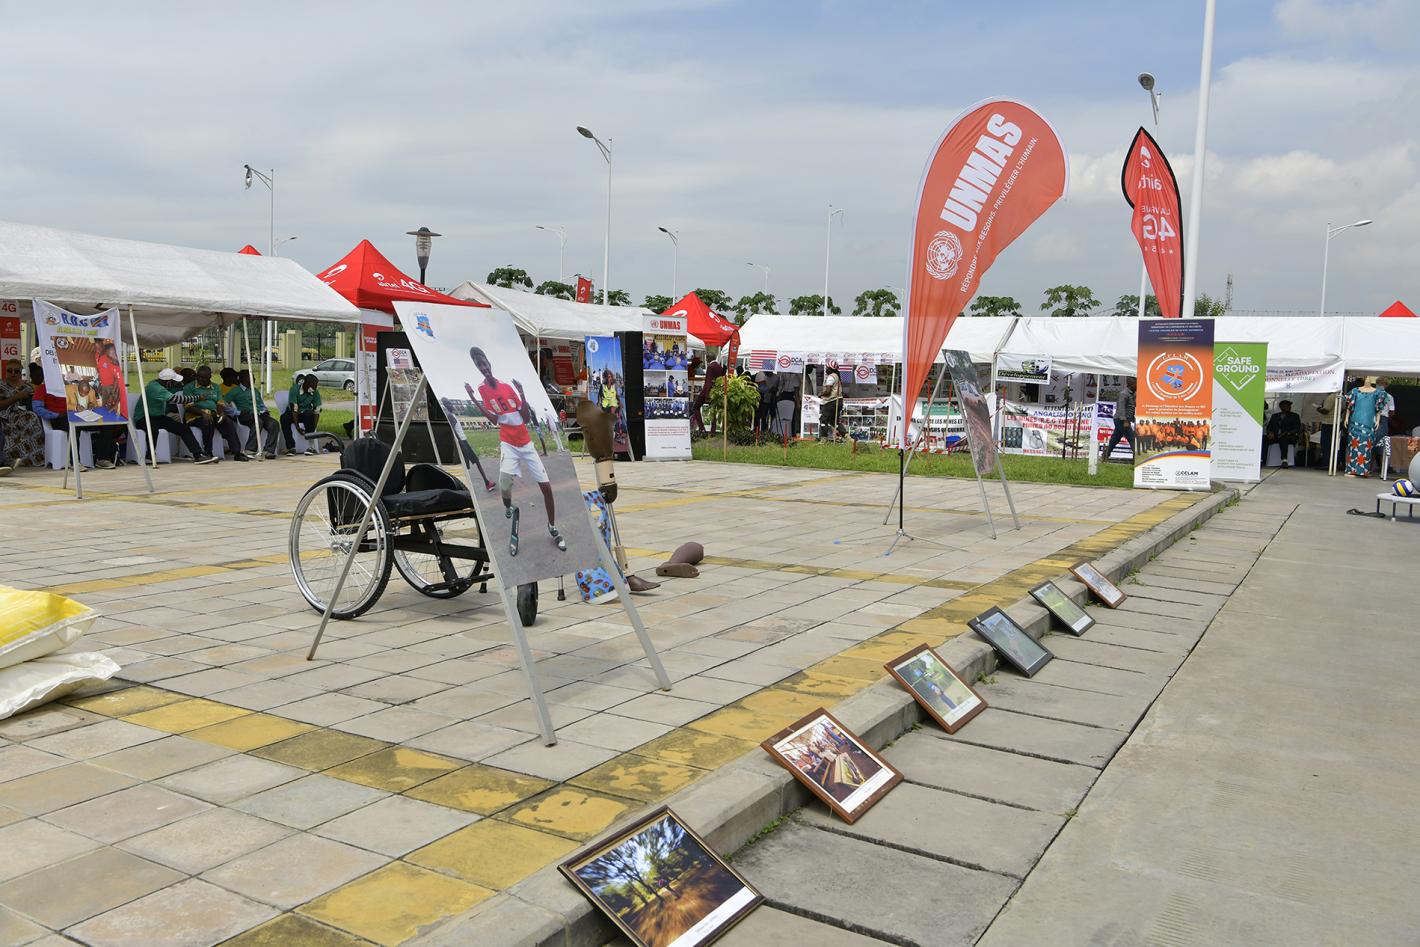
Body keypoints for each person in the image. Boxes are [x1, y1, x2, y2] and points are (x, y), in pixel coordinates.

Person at [463, 345, 566, 557]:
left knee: (546, 488)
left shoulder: (507, 387)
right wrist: (473, 398)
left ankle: (552, 527)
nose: (483, 368)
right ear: (477, 367)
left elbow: (526, 418)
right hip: (508, 444)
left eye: (484, 363)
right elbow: (494, 420)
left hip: (526, 444)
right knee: (504, 486)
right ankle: (510, 508)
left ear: (489, 363)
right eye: (479, 365)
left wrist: (522, 393)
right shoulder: (482, 390)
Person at [29, 364, 120, 468]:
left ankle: (102, 459)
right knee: (74, 426)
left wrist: (89, 405)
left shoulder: (68, 388)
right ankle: (75, 462)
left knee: (107, 424)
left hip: (79, 415)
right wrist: (56, 415)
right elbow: (37, 408)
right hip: (60, 418)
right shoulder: (42, 389)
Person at [132, 368, 215, 463]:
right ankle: (149, 455)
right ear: (168, 382)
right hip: (143, 418)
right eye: (174, 382)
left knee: (183, 429)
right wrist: (197, 397)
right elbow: (176, 399)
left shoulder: (158, 384)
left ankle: (198, 455)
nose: (176, 384)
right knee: (153, 430)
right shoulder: (156, 388)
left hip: (157, 417)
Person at [183, 365, 246, 460]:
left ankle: (237, 452)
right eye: (199, 376)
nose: (200, 379)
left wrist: (221, 413)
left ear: (210, 377)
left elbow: (220, 403)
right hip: (195, 416)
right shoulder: (189, 387)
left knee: (228, 422)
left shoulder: (215, 387)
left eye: (204, 377)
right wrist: (203, 414)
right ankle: (208, 452)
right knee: (208, 422)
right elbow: (189, 407)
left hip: (213, 414)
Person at [0, 359, 44, 468]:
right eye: (10, 371)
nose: (13, 373)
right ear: (6, 372)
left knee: (33, 418)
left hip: (22, 414)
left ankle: (34, 459)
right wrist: (17, 396)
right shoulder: (1, 385)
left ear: (20, 372)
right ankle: (8, 458)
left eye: (16, 371)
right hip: (4, 417)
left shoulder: (28, 386)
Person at [230, 369, 279, 459]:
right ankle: (250, 449)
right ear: (243, 379)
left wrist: (264, 410)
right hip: (245, 415)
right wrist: (236, 412)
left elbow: (261, 403)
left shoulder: (255, 390)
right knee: (258, 422)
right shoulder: (235, 390)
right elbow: (224, 403)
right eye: (251, 377)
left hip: (259, 414)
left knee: (274, 423)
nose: (254, 379)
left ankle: (268, 450)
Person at [1342, 376, 1385, 477]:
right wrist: (1346, 418)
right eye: (1366, 379)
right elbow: (1349, 406)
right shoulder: (1355, 391)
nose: (1367, 380)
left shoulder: (1377, 393)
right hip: (1355, 422)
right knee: (1353, 446)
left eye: (1369, 379)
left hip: (1369, 423)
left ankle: (1363, 470)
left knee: (1366, 447)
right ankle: (1351, 470)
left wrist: (1377, 421)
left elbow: (1378, 409)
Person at [281, 372, 322, 455]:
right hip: (293, 413)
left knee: (309, 414)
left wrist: (313, 427)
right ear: (305, 384)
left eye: (315, 386)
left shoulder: (315, 392)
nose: (314, 388)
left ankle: (311, 447)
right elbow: (294, 410)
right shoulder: (294, 389)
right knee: (284, 418)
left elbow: (317, 412)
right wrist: (297, 427)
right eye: (312, 386)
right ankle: (291, 447)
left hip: (305, 413)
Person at [691, 354, 726, 435]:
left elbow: (708, 382)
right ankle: (713, 431)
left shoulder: (710, 367)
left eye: (706, 358)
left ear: (709, 358)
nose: (706, 360)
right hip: (716, 392)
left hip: (707, 392)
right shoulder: (719, 367)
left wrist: (707, 395)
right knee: (713, 411)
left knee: (696, 407)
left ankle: (702, 428)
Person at [1264, 400, 1303, 467]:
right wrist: (1269, 433)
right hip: (1275, 436)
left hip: (1289, 436)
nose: (1289, 407)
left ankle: (1284, 460)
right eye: (1286, 405)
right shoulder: (1275, 416)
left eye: (1289, 406)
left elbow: (1297, 428)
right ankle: (1263, 459)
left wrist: (1288, 433)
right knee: (1264, 439)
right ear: (1281, 407)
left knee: (1283, 438)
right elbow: (1269, 427)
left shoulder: (1295, 416)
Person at [1104, 378, 1136, 460]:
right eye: (1136, 384)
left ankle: (1105, 455)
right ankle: (1137, 457)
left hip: (1126, 419)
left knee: (1115, 438)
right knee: (1131, 438)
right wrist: (1125, 420)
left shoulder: (1133, 394)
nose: (1137, 386)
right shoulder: (1124, 394)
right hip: (1121, 420)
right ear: (1131, 384)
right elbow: (1121, 408)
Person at [819, 365, 843, 441]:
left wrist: (821, 394)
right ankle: (847, 437)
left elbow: (828, 391)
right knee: (834, 422)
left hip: (831, 401)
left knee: (823, 420)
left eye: (827, 368)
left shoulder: (831, 377)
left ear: (830, 368)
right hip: (838, 400)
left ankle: (823, 439)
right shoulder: (837, 376)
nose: (826, 369)